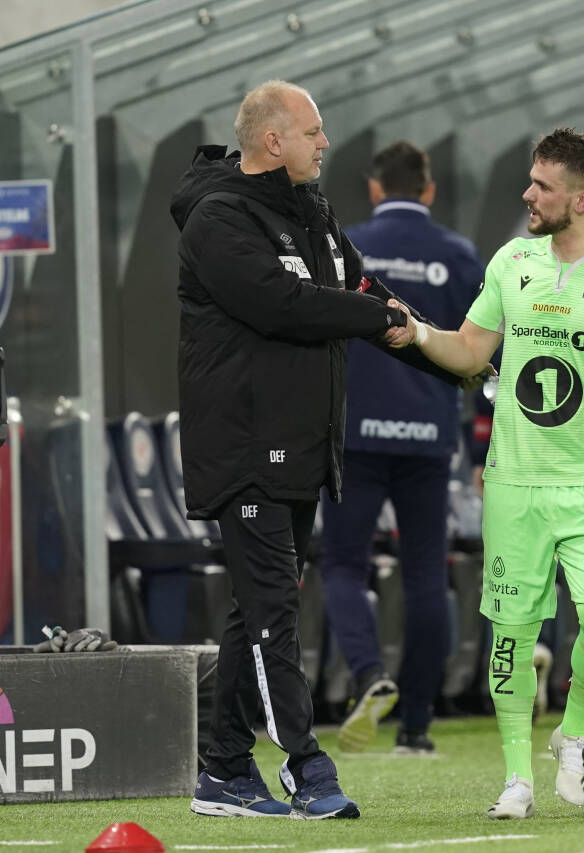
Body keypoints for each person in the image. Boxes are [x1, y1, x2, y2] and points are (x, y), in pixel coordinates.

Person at [173, 80, 458, 820]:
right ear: (274, 140)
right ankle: (308, 766)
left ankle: (225, 770)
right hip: (243, 447)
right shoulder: (217, 217)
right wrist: (374, 311)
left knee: (253, 610)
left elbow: (365, 291)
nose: (324, 143)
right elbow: (282, 304)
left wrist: (452, 358)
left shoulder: (317, 215)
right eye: (313, 130)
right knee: (272, 612)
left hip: (300, 446)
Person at [388, 128, 584, 820]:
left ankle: (575, 726)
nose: (527, 194)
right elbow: (472, 350)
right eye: (530, 180)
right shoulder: (512, 261)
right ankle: (515, 777)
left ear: (582, 197)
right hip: (515, 482)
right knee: (512, 631)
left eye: (542, 185)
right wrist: (416, 331)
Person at [322, 141, 484, 757]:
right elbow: (478, 347)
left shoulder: (347, 246)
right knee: (423, 574)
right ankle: (416, 726)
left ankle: (369, 675)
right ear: (429, 190)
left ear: (371, 187)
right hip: (427, 434)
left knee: (343, 563)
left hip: (355, 432)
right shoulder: (457, 255)